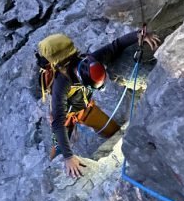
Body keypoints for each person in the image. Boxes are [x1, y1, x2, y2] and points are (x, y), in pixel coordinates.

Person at [44, 28, 160, 178]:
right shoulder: (61, 84)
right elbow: (58, 122)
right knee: (59, 148)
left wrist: (138, 35)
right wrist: (68, 157)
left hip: (85, 108)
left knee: (114, 132)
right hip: (65, 116)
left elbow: (115, 46)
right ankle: (53, 162)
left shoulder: (92, 60)